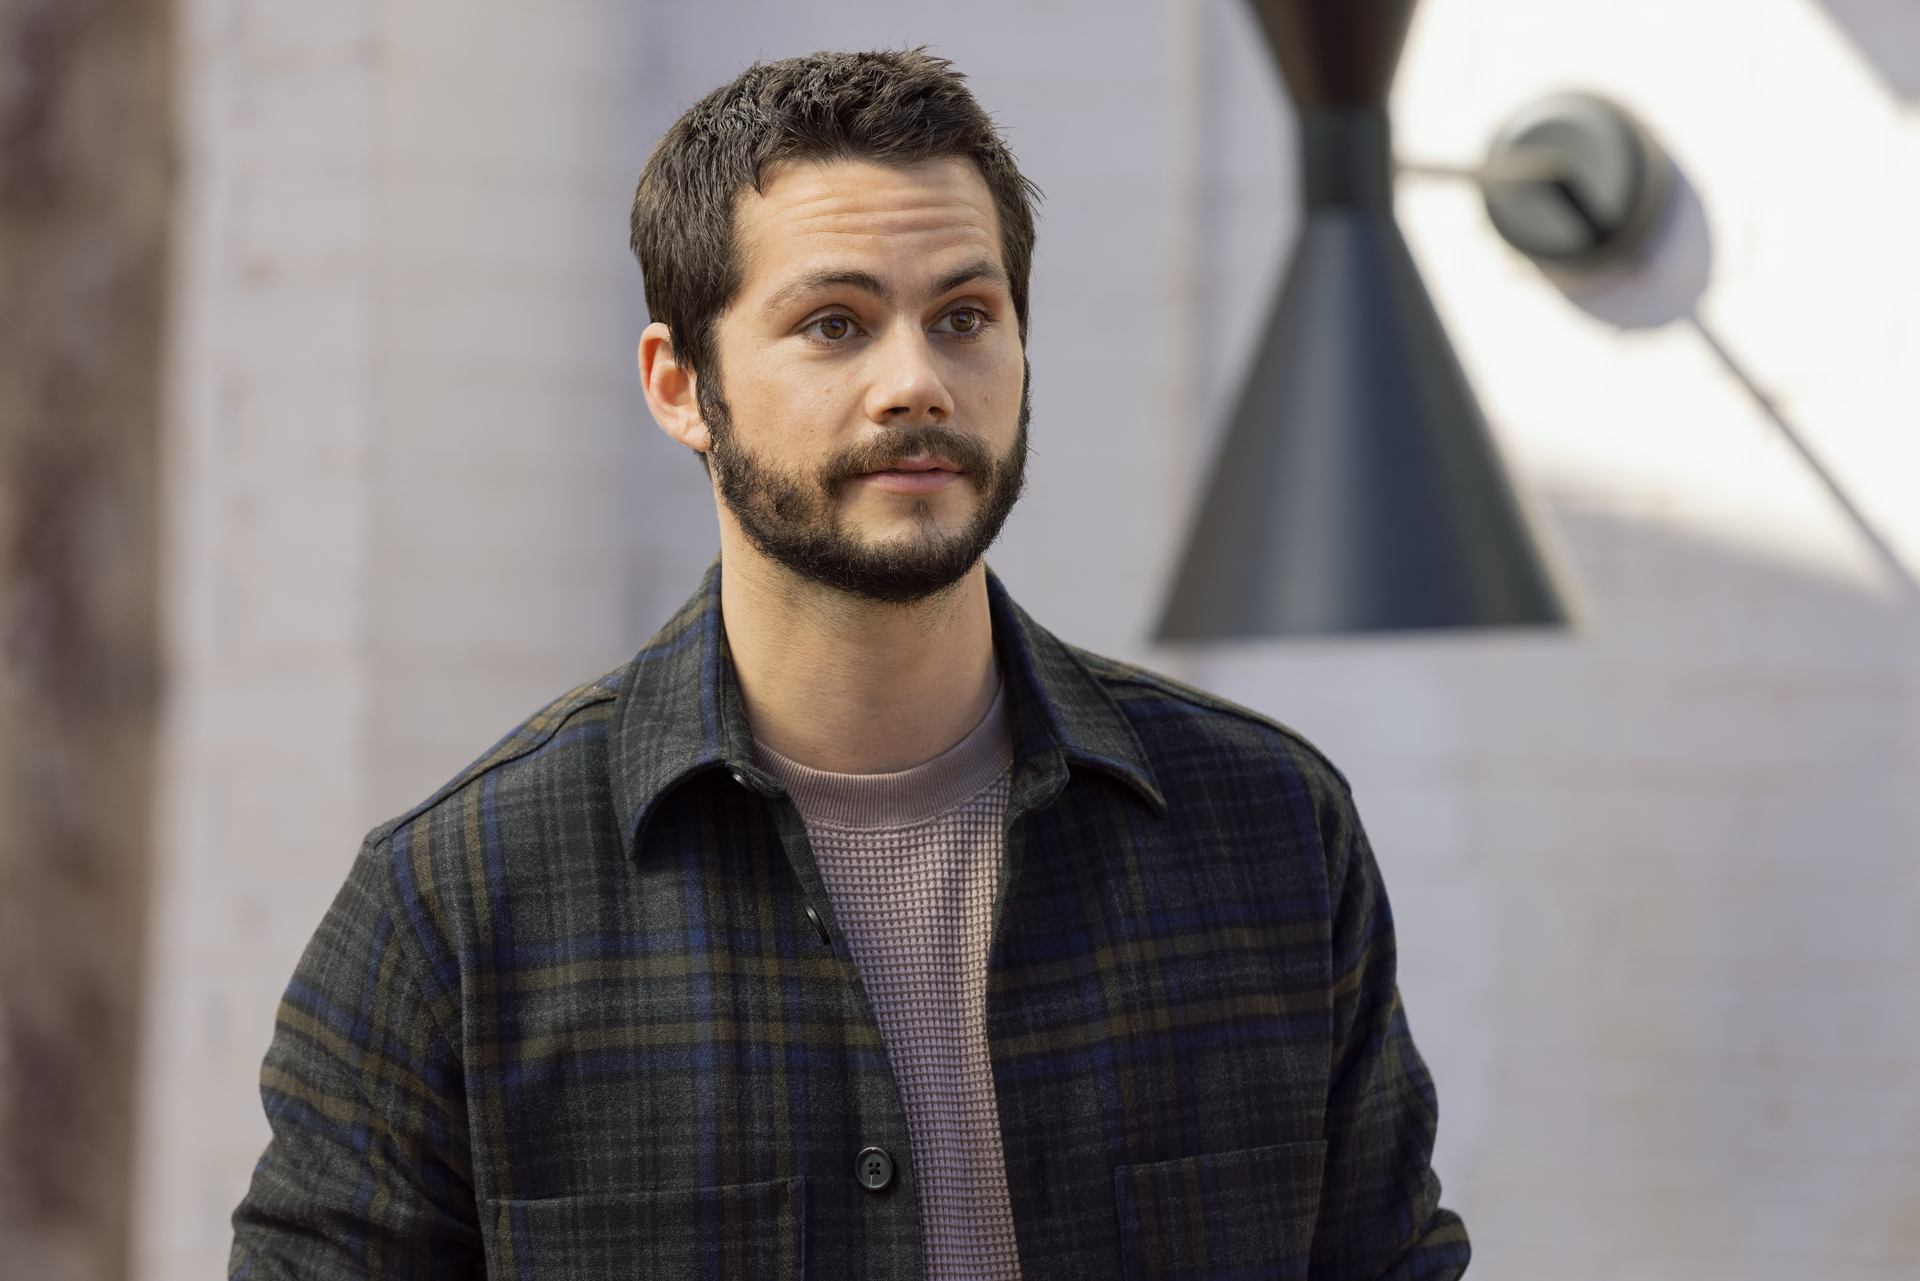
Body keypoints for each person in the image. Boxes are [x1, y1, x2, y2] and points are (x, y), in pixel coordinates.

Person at [230, 48, 1469, 1281]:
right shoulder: (455, 908)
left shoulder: (1271, 830)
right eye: (835, 324)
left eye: (965, 318)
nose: (916, 383)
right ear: (681, 386)